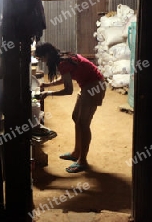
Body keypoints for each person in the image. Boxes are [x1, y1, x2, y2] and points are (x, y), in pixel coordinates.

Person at [34, 42, 105, 173]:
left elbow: (68, 90)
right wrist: (48, 85)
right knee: (76, 117)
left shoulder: (62, 63)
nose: (42, 61)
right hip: (87, 85)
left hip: (94, 86)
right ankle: (76, 153)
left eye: (41, 58)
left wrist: (48, 93)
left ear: (47, 55)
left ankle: (82, 161)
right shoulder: (63, 57)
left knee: (84, 123)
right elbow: (65, 77)